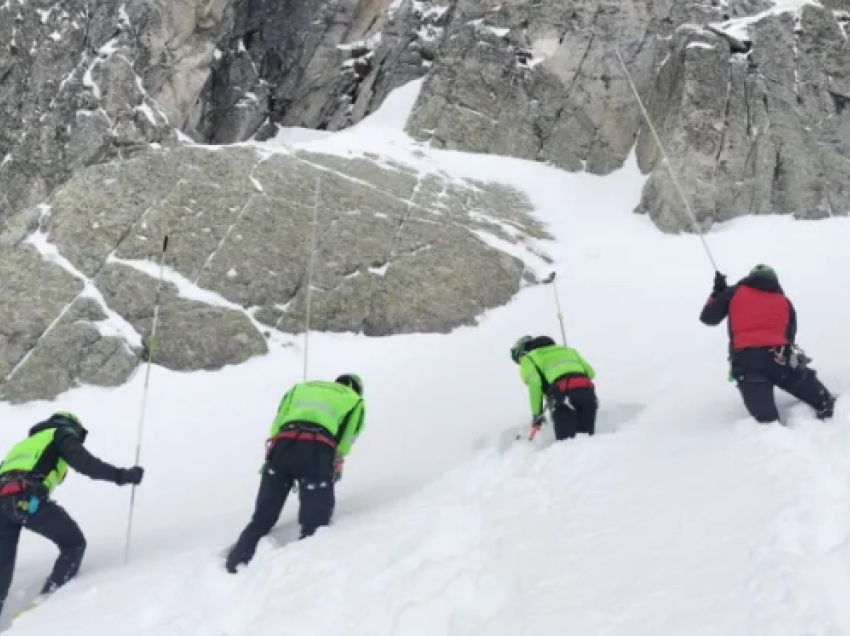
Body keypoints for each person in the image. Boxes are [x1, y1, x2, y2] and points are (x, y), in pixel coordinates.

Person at [0, 412, 144, 617]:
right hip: (26, 497)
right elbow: (85, 463)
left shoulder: (22, 446)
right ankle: (47, 603)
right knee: (73, 543)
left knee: (2, 566)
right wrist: (122, 475)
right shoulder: (60, 434)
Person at [226, 374, 366, 574]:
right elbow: (347, 439)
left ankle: (235, 564)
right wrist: (335, 462)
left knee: (262, 518)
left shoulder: (301, 388)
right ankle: (300, 575)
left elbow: (278, 422)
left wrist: (274, 455)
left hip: (283, 446)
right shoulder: (355, 400)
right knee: (315, 524)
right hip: (317, 452)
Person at [700, 264, 836, 424]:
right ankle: (831, 412)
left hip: (748, 362)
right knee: (826, 403)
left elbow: (708, 318)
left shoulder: (735, 292)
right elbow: (789, 336)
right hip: (781, 358)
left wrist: (718, 293)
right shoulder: (784, 301)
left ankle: (774, 436)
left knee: (767, 423)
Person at [511, 335, 598, 440]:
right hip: (587, 391)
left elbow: (535, 383)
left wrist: (536, 415)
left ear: (523, 352)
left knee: (567, 443)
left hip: (562, 394)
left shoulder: (528, 358)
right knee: (586, 439)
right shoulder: (569, 350)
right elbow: (591, 373)